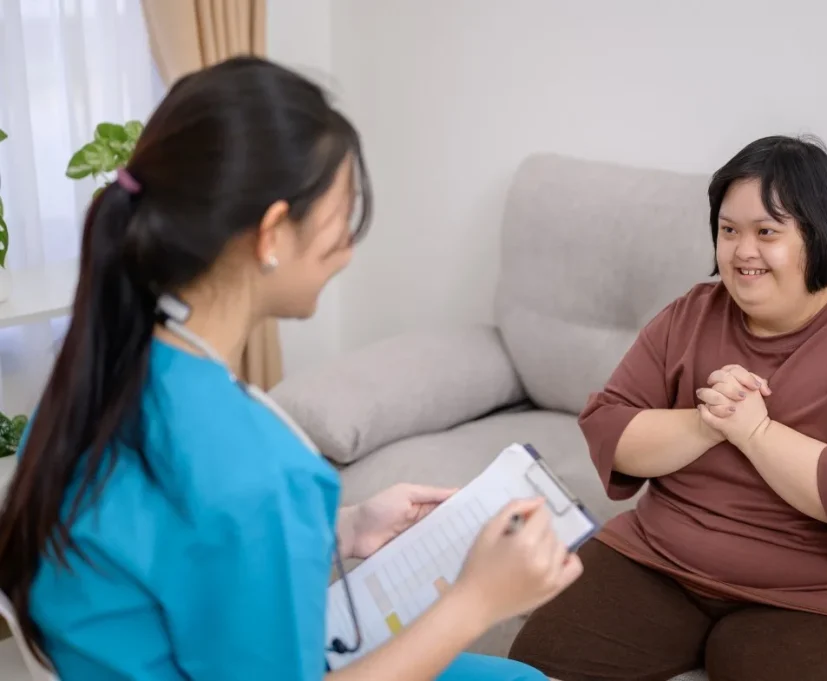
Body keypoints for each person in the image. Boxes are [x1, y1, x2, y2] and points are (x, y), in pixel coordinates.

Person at [0, 57, 580, 681]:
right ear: (273, 232)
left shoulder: (100, 375)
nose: (348, 253)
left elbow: (174, 537)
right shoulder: (258, 466)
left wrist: (346, 528)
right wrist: (477, 602)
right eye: (340, 224)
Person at [507, 135, 827, 681]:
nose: (743, 252)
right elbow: (610, 426)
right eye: (729, 230)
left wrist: (755, 432)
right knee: (534, 664)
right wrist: (705, 422)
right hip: (663, 563)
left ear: (820, 234)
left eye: (767, 232)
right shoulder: (690, 315)